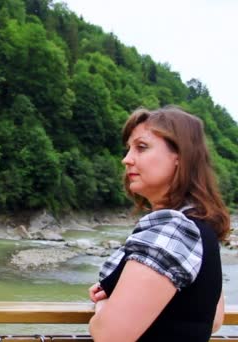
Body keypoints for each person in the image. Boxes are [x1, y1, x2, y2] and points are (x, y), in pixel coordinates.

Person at [88, 106, 228, 341]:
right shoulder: (200, 227)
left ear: (180, 157)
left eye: (141, 148)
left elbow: (109, 335)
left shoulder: (173, 229)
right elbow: (213, 319)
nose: (126, 159)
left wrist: (104, 307)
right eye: (129, 149)